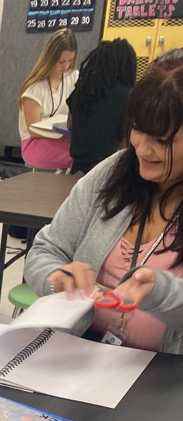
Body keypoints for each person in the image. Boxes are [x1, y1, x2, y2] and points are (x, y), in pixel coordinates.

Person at [24, 50, 183, 354]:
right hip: (82, 359)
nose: (143, 149)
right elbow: (46, 249)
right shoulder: (114, 172)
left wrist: (161, 293)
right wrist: (57, 278)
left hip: (165, 385)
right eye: (138, 129)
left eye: (162, 140)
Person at [67, 38, 136, 176]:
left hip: (78, 170)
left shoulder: (82, 90)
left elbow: (70, 124)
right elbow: (127, 142)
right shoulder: (127, 96)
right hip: (108, 172)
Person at [18, 28, 78, 171]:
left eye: (70, 60)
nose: (66, 66)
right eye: (61, 61)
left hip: (64, 138)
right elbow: (33, 130)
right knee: (77, 156)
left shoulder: (74, 77)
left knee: (90, 151)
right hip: (34, 143)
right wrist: (60, 132)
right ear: (50, 58)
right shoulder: (34, 89)